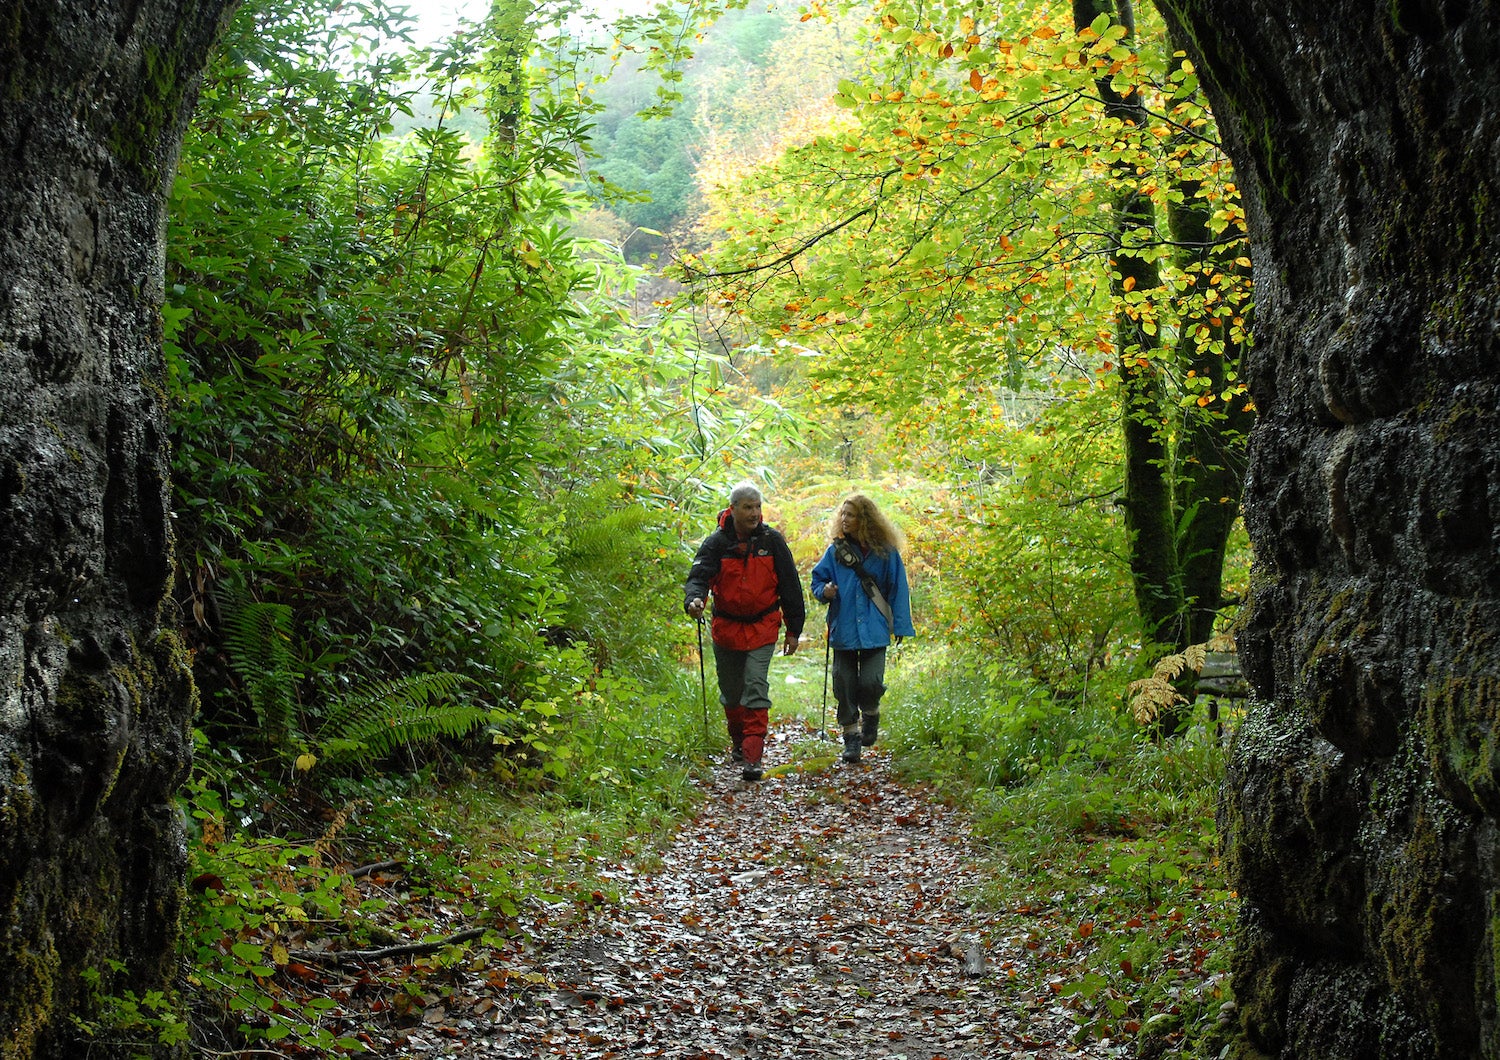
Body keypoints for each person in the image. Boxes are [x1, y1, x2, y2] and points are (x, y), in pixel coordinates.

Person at [684, 482, 806, 782]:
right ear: (733, 509)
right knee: (731, 691)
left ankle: (753, 755)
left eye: (758, 507)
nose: (755, 513)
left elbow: (790, 586)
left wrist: (794, 630)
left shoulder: (772, 541)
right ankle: (739, 743)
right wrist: (694, 600)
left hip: (763, 627)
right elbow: (698, 577)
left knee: (755, 686)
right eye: (748, 507)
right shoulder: (716, 544)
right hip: (726, 629)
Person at [809, 494, 915, 764]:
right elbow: (817, 581)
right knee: (843, 683)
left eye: (851, 515)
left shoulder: (885, 552)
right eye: (843, 514)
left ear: (865, 519)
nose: (845, 519)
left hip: (875, 627)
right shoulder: (836, 551)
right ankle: (851, 737)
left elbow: (898, 589)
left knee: (871, 681)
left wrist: (900, 625)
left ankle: (871, 711)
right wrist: (826, 591)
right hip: (843, 627)